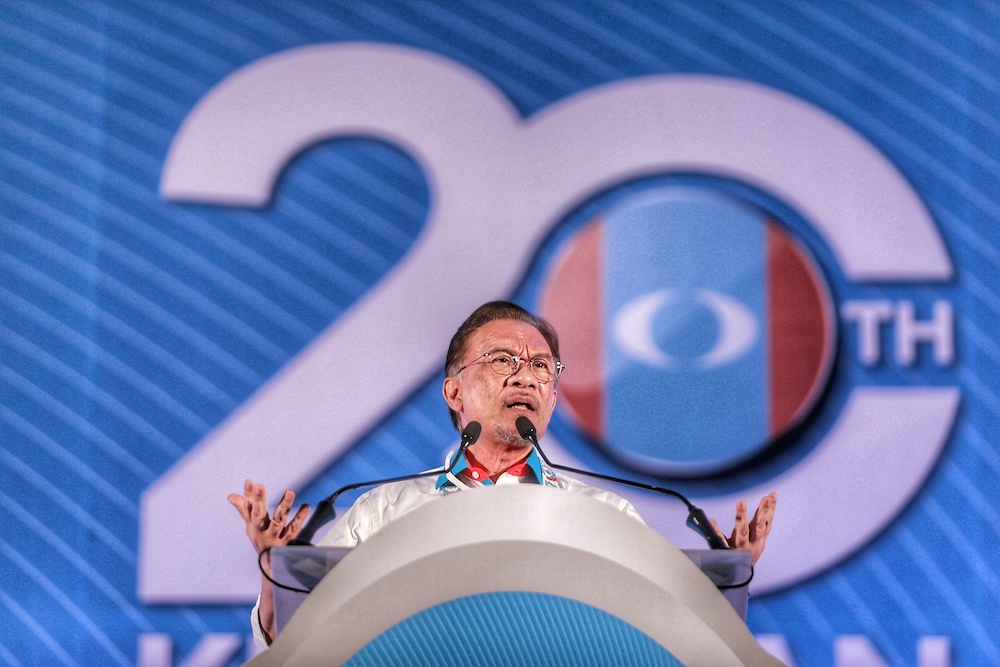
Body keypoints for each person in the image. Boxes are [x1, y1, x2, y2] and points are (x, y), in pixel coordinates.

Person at [228, 301, 777, 647]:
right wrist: (276, 576)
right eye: (500, 360)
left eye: (541, 366)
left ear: (554, 395)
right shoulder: (383, 512)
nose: (527, 377)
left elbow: (674, 645)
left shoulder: (606, 517)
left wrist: (722, 590)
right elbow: (296, 648)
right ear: (454, 391)